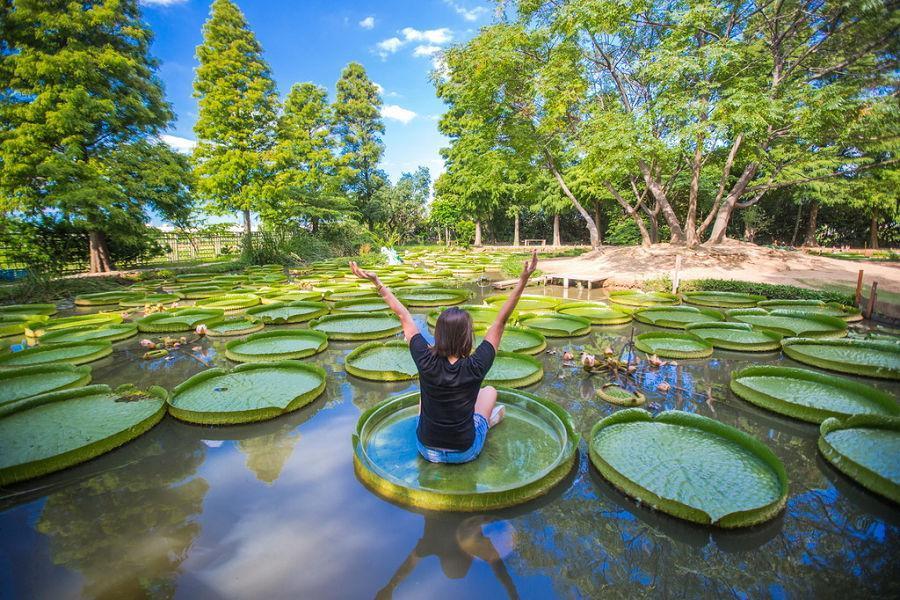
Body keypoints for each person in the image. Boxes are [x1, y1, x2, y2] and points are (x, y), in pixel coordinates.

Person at [350, 250, 539, 464]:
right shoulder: (476, 365)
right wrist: (523, 280)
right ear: (468, 336)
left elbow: (403, 315)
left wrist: (378, 283)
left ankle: (480, 422)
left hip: (426, 449)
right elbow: (500, 321)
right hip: (465, 452)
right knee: (489, 391)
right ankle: (488, 422)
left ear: (439, 333)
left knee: (425, 395)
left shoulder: (424, 358)